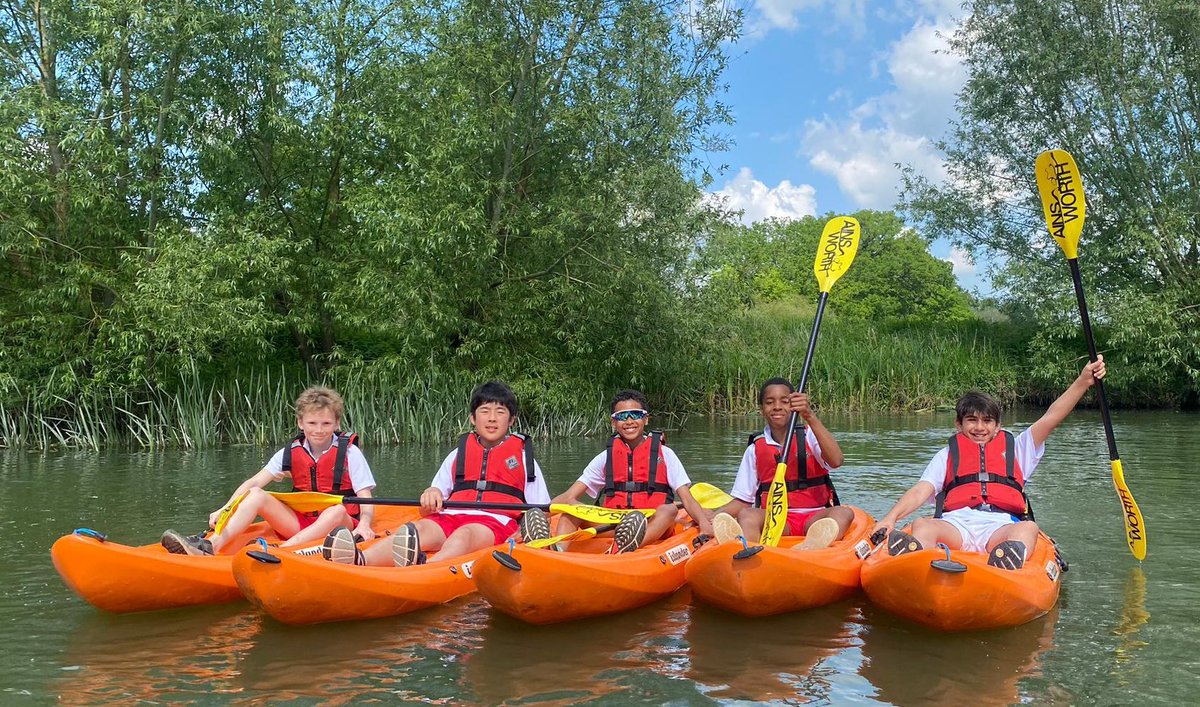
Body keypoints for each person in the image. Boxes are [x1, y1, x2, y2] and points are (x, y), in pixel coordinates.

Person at [872, 355, 1107, 570]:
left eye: (987, 420)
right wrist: (890, 518)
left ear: (998, 426)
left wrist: (1083, 381)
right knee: (924, 524)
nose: (980, 427)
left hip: (1001, 526)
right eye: (972, 420)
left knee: (1028, 528)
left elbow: (1052, 417)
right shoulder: (946, 455)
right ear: (959, 424)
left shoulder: (1019, 449)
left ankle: (1007, 562)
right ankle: (912, 560)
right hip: (956, 524)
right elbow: (921, 491)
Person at [323, 380, 550, 566]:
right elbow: (436, 491)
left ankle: (429, 568)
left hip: (494, 522)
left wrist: (525, 530)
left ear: (510, 420)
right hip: (451, 516)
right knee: (417, 529)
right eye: (485, 411)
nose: (492, 418)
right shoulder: (457, 455)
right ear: (473, 418)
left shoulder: (523, 459)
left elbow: (541, 508)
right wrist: (431, 492)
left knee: (464, 535)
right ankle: (360, 559)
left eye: (500, 412)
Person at [160, 385, 375, 556]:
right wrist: (224, 509)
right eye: (312, 423)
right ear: (300, 423)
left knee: (337, 510)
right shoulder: (289, 452)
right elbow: (253, 483)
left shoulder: (350, 453)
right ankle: (211, 546)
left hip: (339, 525)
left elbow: (366, 497)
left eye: (326, 423)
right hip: (300, 523)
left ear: (337, 423)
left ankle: (285, 551)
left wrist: (364, 525)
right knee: (255, 494)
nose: (319, 430)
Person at [528, 389, 715, 553]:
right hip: (615, 522)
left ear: (646, 418)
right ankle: (556, 551)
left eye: (635, 414)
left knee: (669, 510)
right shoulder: (605, 458)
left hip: (651, 522)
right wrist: (541, 514)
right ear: (613, 422)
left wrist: (705, 525)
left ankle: (627, 546)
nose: (629, 421)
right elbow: (569, 496)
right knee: (572, 511)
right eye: (622, 416)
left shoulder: (666, 455)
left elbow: (686, 498)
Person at [710, 377, 851, 550]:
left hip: (815, 517)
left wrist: (809, 415)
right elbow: (742, 501)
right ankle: (749, 552)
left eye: (785, 401)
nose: (777, 407)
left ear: (794, 406)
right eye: (770, 402)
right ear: (762, 409)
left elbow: (836, 461)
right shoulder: (756, 449)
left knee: (844, 512)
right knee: (747, 515)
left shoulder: (810, 435)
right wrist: (713, 517)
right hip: (777, 521)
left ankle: (812, 546)